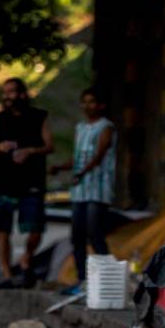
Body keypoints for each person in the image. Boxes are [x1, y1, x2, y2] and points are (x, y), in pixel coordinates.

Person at [0, 78, 53, 288]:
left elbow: (50, 146)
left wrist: (30, 151)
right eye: (5, 92)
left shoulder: (39, 116)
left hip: (32, 180)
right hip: (5, 181)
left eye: (12, 92)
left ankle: (26, 258)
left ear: (22, 94)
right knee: (2, 228)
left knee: (35, 227)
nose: (7, 96)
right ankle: (6, 273)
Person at [51, 88, 116, 292]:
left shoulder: (107, 127)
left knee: (95, 234)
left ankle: (109, 280)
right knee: (77, 236)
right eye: (85, 102)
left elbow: (99, 155)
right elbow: (79, 158)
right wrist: (61, 167)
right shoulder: (80, 128)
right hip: (80, 191)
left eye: (92, 102)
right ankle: (82, 280)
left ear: (101, 105)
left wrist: (82, 172)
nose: (88, 106)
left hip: (98, 189)